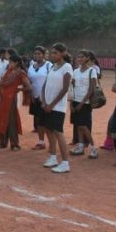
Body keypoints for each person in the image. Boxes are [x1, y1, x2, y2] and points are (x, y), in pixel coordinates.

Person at [42, 43, 74, 173]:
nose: (52, 55)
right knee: (48, 130)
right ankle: (53, 157)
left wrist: (52, 104)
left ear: (63, 53)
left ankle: (65, 163)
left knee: (58, 132)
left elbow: (65, 88)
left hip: (57, 107)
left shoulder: (67, 67)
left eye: (55, 53)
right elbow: (45, 84)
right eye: (51, 53)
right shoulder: (53, 66)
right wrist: (44, 102)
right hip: (47, 105)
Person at [0, 54, 31, 151]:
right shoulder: (8, 71)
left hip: (11, 100)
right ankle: (2, 142)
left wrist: (19, 90)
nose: (9, 64)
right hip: (2, 99)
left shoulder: (20, 73)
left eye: (11, 62)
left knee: (11, 122)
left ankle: (14, 144)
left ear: (17, 63)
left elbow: (28, 86)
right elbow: (1, 83)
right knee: (2, 119)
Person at [69, 50, 99, 159]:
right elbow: (72, 87)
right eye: (78, 57)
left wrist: (82, 103)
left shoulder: (92, 71)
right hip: (75, 100)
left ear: (87, 58)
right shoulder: (75, 71)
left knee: (83, 125)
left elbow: (91, 89)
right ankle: (80, 145)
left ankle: (93, 147)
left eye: (82, 57)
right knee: (78, 124)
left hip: (85, 103)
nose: (79, 59)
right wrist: (71, 103)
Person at [28, 46, 52, 150]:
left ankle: (52, 142)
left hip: (46, 97)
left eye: (39, 54)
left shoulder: (48, 65)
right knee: (39, 120)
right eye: (35, 54)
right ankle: (41, 141)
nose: (37, 56)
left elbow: (51, 80)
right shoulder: (31, 66)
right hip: (35, 97)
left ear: (44, 54)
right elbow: (29, 82)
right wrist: (31, 95)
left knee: (48, 121)